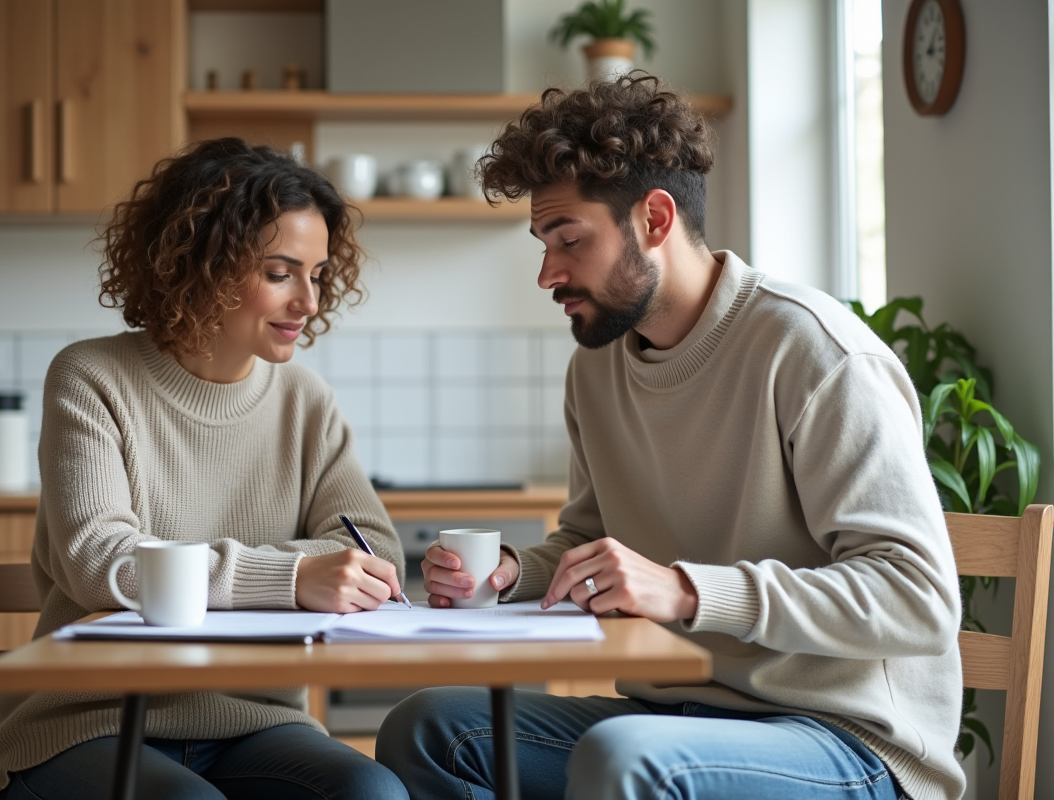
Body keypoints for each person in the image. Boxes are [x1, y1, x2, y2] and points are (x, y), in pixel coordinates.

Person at [376, 75, 963, 800]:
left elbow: (918, 598)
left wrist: (688, 590)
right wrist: (508, 574)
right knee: (428, 728)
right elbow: (587, 542)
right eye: (542, 242)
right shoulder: (595, 371)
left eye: (569, 239)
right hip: (673, 714)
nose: (547, 273)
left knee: (629, 759)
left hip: (848, 740)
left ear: (655, 219)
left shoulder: (814, 353)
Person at [0, 138, 409, 800]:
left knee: (371, 792)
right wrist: (293, 573)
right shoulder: (91, 377)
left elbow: (372, 553)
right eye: (279, 273)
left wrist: (304, 572)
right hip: (89, 723)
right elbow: (103, 563)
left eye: (318, 274)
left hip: (258, 723)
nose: (310, 303)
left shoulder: (306, 402)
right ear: (199, 263)